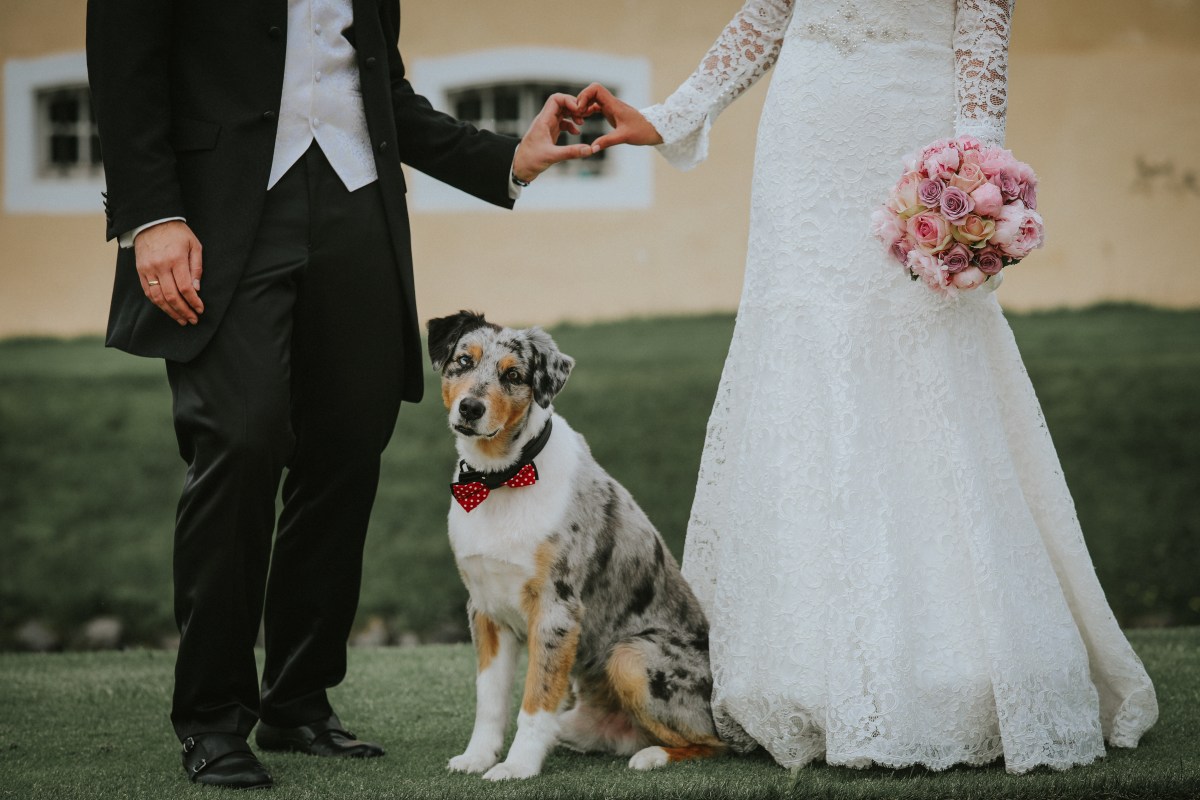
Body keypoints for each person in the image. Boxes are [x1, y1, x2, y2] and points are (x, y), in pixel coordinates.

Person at [577, 0, 1158, 774]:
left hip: (915, 137)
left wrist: (978, 177)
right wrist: (671, 114)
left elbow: (983, 23)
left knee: (922, 364)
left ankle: (946, 668)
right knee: (797, 359)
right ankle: (790, 673)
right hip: (806, 127)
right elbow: (773, 11)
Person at [86, 0, 592, 788]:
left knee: (349, 448)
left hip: (358, 208)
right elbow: (125, 65)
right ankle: (214, 717)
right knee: (242, 437)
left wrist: (508, 159)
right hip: (218, 211)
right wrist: (151, 213)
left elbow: (378, 89)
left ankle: (297, 699)